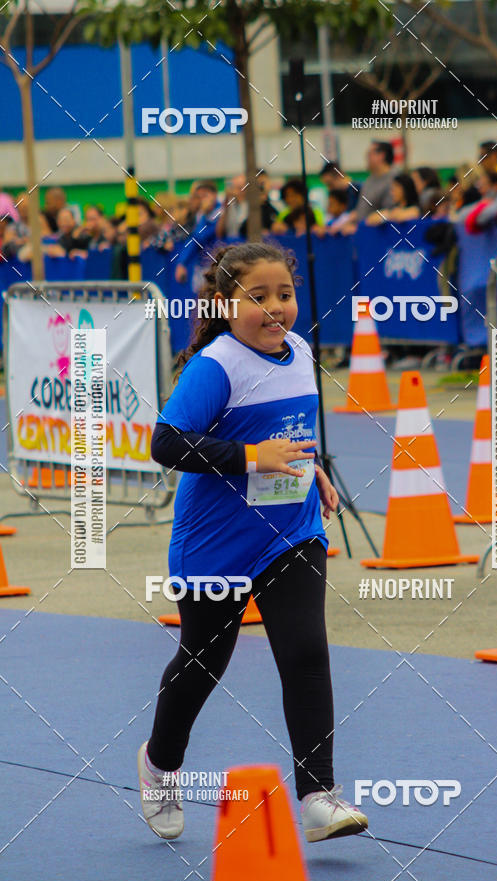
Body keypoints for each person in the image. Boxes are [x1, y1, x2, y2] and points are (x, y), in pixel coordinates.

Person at [138, 241, 369, 844]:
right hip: (216, 544)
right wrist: (249, 457)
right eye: (257, 297)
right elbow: (164, 444)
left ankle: (319, 797)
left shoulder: (301, 351)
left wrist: (309, 466)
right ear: (225, 303)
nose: (275, 308)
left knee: (305, 654)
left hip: (291, 533)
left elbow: (287, 431)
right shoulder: (216, 366)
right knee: (202, 664)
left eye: (285, 295)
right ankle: (160, 765)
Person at [342, 141, 395, 231]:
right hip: (363, 233)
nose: (366, 158)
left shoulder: (393, 180)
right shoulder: (369, 181)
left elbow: (391, 211)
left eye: (369, 154)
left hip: (380, 235)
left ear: (381, 156)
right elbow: (363, 211)